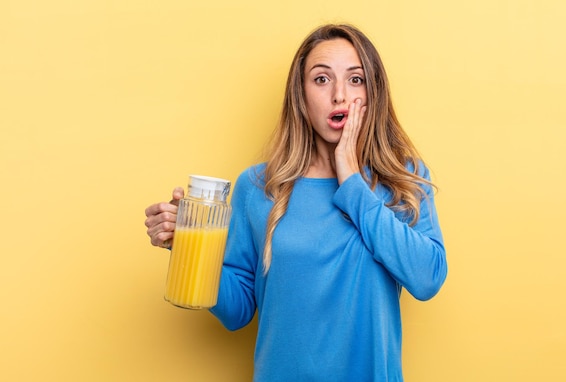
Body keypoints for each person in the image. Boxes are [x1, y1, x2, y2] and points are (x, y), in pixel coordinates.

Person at [144, 23, 447, 381]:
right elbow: (238, 310)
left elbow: (427, 278)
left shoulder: (400, 177)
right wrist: (187, 245)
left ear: (373, 93)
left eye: (355, 79)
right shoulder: (259, 186)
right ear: (300, 95)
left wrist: (351, 180)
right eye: (321, 79)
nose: (339, 96)